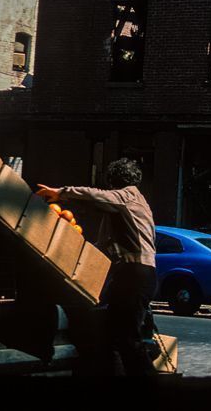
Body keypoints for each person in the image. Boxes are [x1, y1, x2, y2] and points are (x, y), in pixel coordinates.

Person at [36, 158, 158, 376]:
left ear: (114, 181)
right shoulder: (130, 204)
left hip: (136, 274)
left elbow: (95, 195)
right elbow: (104, 241)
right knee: (110, 335)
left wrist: (61, 192)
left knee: (128, 339)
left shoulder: (126, 196)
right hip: (131, 274)